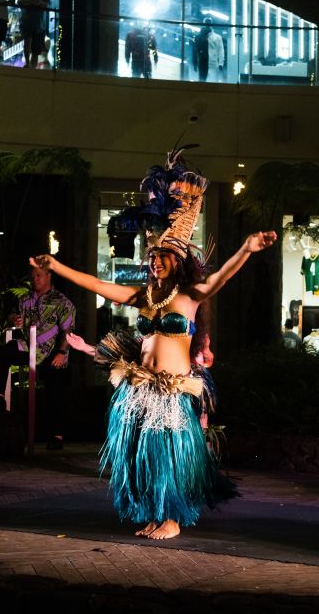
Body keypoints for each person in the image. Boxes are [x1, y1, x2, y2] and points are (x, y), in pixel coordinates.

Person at [41, 146, 276, 540]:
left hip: (172, 389)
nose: (155, 262)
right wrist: (57, 266)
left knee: (168, 455)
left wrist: (247, 250)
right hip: (140, 387)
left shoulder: (188, 295)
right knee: (141, 456)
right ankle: (153, 512)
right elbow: (100, 285)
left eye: (162, 256)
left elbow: (220, 279)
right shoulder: (145, 296)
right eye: (152, 256)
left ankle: (172, 518)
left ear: (177, 258)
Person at [0, 262, 75, 450]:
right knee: (3, 353)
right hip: (29, 347)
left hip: (52, 351)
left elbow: (68, 331)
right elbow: (13, 316)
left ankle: (57, 435)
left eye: (39, 276)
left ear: (49, 275)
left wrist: (61, 352)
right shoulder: (25, 299)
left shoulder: (62, 301)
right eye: (33, 276)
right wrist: (13, 319)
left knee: (55, 388)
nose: (35, 280)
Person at [17, 0, 49, 69]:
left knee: (34, 47)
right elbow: (20, 2)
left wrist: (37, 2)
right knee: (30, 44)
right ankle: (30, 65)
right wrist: (34, 1)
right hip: (30, 21)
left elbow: (46, 4)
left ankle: (31, 66)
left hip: (35, 22)